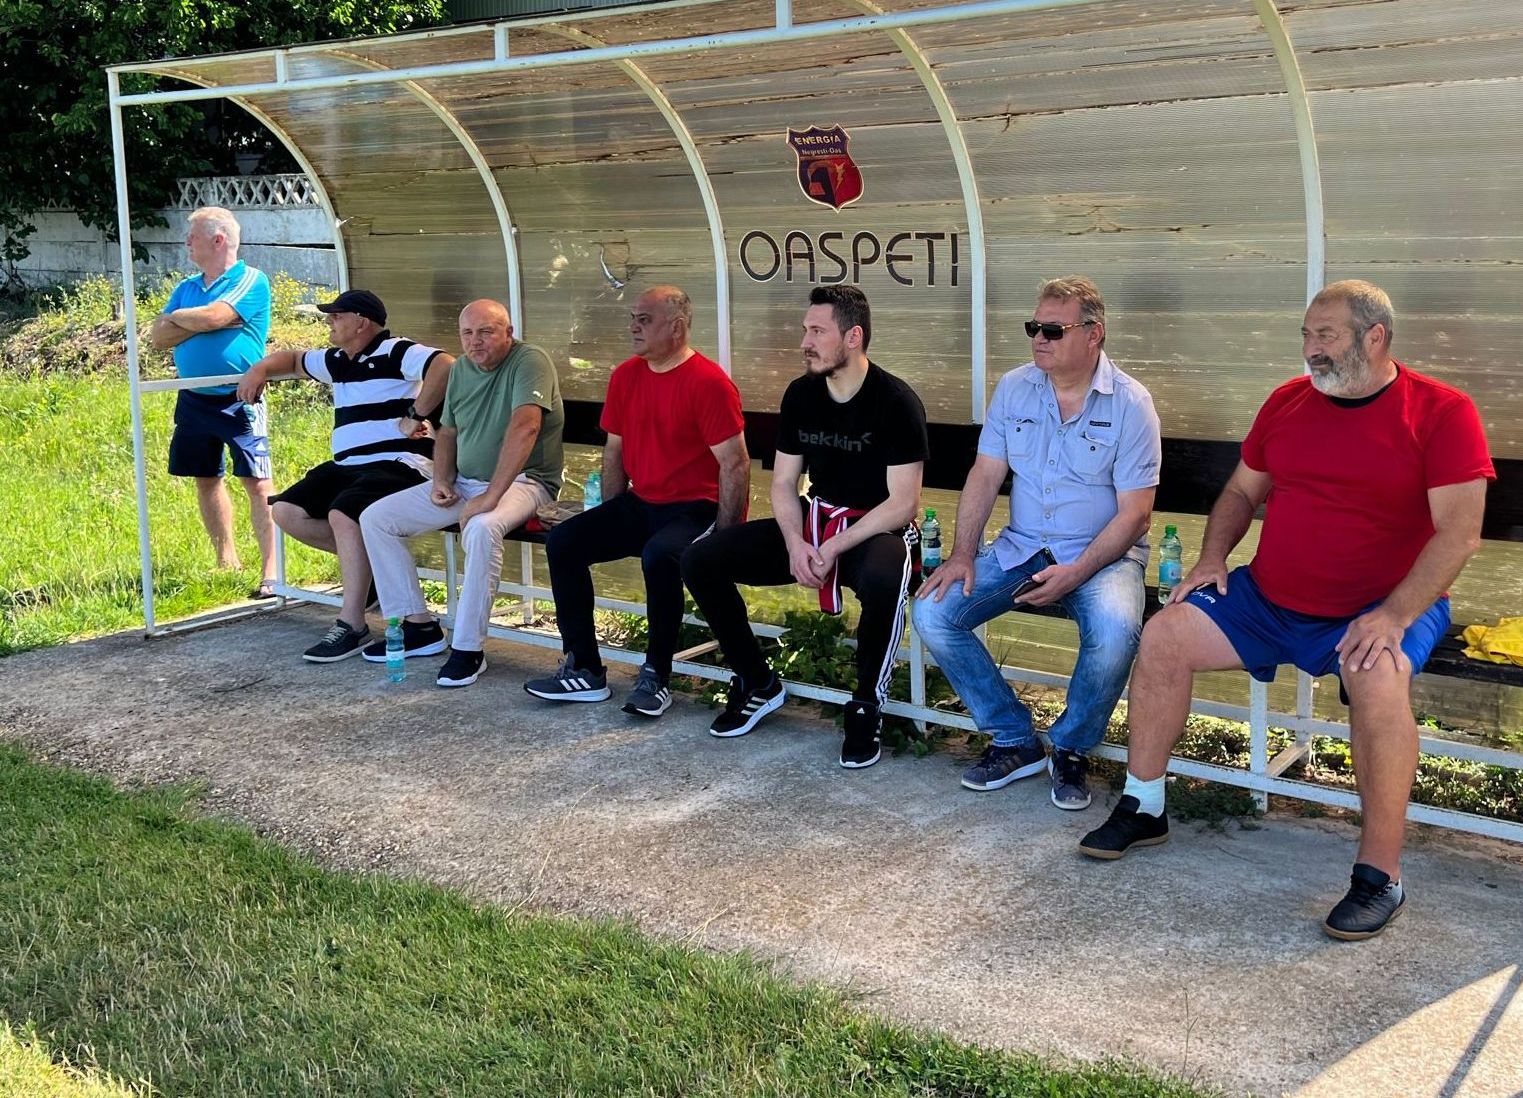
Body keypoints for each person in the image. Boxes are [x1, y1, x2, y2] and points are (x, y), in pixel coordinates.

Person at [1079, 280, 1494, 942]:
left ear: (1375, 337)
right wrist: (1211, 558)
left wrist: (1392, 616)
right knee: (1165, 635)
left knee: (1377, 678)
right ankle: (1144, 805)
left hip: (1379, 606)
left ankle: (1379, 875)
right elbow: (1241, 493)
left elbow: (1459, 534)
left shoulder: (1442, 412)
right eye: (1305, 334)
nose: (1310, 349)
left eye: (1325, 336)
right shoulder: (1287, 401)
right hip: (1269, 599)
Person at [914, 277, 1160, 808]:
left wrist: (1076, 573)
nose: (1039, 339)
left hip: (1103, 557)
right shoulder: (1015, 387)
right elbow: (985, 474)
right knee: (933, 611)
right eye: (1034, 328)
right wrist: (962, 554)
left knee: (1116, 631)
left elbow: (1137, 515)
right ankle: (1014, 739)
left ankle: (1071, 747)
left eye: (1053, 329)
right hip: (1022, 548)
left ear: (1094, 334)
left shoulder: (1131, 403)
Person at [681, 284, 928, 769]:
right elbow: (783, 482)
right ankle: (757, 681)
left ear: (853, 337)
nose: (805, 342)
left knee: (886, 574)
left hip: (874, 530)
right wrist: (796, 543)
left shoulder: (896, 401)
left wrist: (834, 546)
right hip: (815, 524)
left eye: (817, 331)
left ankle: (867, 704)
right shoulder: (801, 394)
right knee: (700, 559)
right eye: (805, 330)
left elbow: (903, 504)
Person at [525, 285, 749, 718]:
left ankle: (656, 676)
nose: (633, 327)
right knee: (565, 542)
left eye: (644, 320)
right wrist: (609, 515)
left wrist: (726, 536)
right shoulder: (626, 376)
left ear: (677, 327)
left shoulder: (709, 383)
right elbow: (615, 450)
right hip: (641, 502)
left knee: (659, 555)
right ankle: (584, 668)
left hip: (695, 507)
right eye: (632, 318)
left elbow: (735, 464)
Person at [235, 290, 453, 661]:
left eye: (337, 316)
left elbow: (445, 365)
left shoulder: (396, 350)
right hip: (348, 466)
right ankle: (368, 576)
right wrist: (259, 370)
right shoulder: (336, 359)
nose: (329, 322)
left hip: (400, 461)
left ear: (361, 322)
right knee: (286, 511)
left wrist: (415, 415)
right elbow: (293, 359)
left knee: (344, 513)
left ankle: (352, 624)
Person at [359, 299, 564, 688]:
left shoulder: (530, 360)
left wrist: (490, 497)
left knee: (483, 527)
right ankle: (418, 627)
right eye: (467, 333)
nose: (475, 341)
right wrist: (441, 479)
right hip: (466, 483)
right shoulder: (462, 370)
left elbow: (526, 427)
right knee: (377, 518)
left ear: (508, 333)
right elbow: (448, 432)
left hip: (525, 483)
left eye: (486, 332)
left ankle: (468, 649)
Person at [147, 206, 276, 596]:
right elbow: (158, 336)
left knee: (257, 481)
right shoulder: (187, 287)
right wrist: (193, 319)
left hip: (240, 397)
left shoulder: (251, 280)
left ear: (218, 240)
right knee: (206, 478)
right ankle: (226, 560)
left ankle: (271, 572)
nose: (187, 242)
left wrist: (184, 319)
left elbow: (215, 317)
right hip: (194, 397)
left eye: (193, 236)